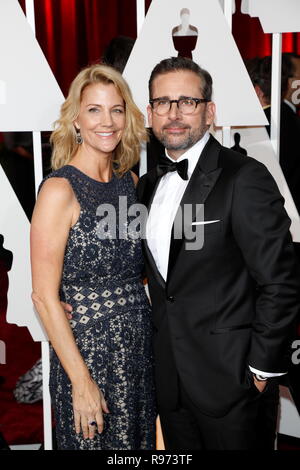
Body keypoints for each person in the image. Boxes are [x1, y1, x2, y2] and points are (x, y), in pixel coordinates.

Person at [136, 56, 299, 450]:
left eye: (187, 102)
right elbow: (159, 278)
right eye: (163, 102)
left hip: (234, 384)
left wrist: (259, 371)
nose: (174, 114)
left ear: (209, 111)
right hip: (171, 383)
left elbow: (281, 280)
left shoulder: (244, 177)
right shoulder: (147, 185)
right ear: (150, 112)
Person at [30, 64, 156, 450]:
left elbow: (138, 269)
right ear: (77, 120)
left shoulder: (131, 183)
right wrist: (81, 381)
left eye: (116, 109)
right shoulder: (59, 189)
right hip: (87, 354)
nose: (107, 121)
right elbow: (43, 297)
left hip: (138, 351)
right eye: (95, 109)